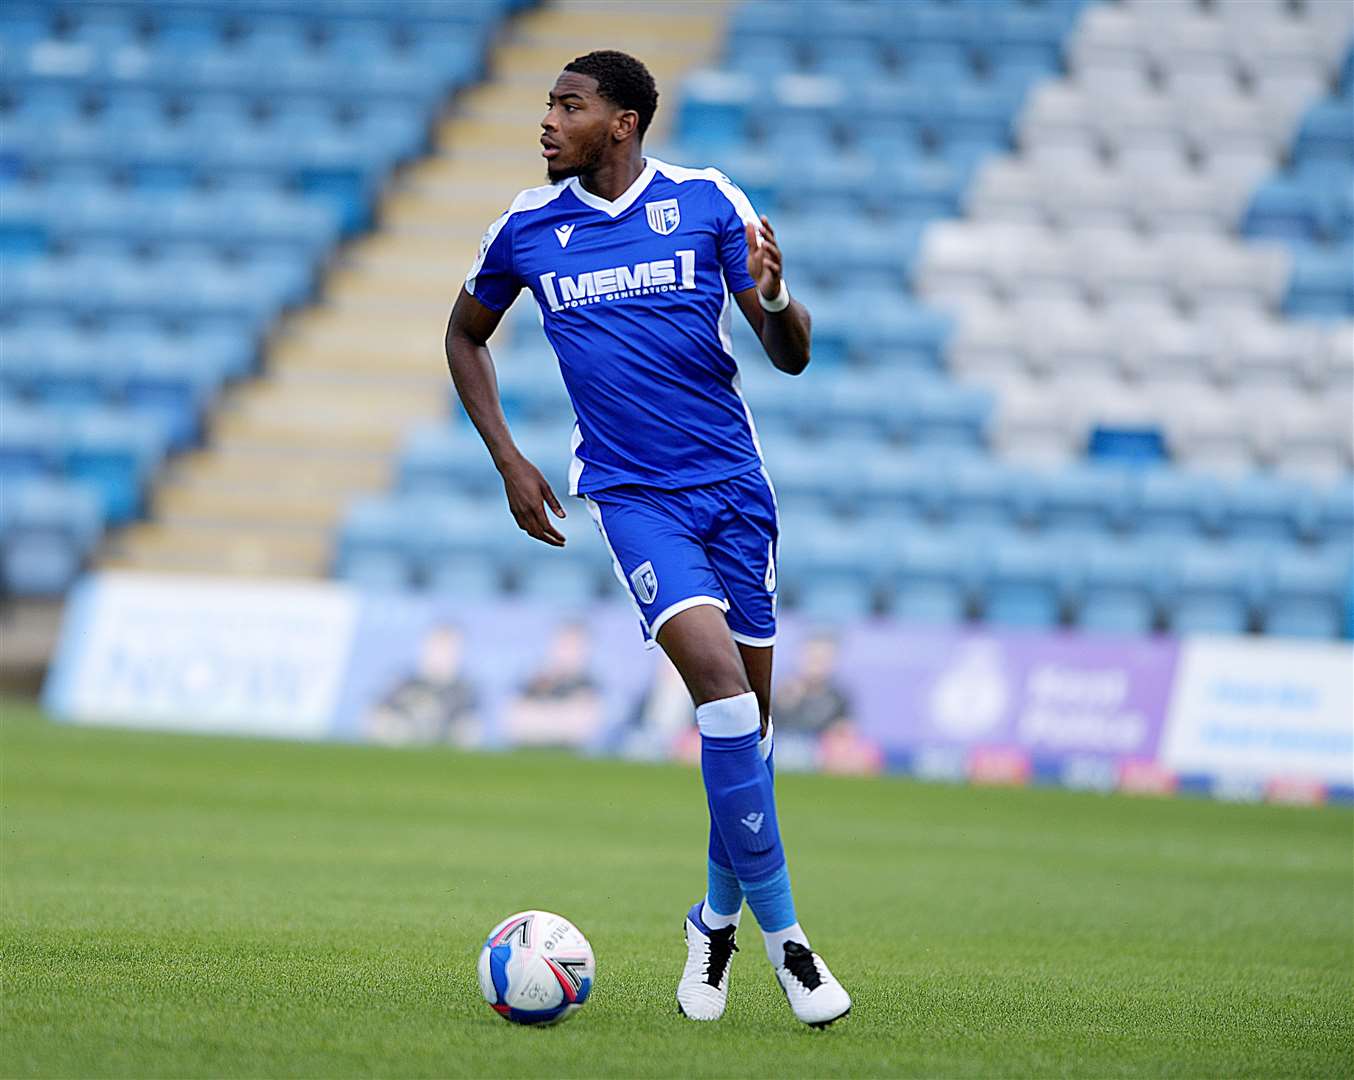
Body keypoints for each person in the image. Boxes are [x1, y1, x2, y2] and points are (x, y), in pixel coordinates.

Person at [444, 50, 850, 1027]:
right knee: (717, 690)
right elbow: (464, 335)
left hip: (734, 493)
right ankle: (789, 945)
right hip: (632, 498)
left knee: (746, 732)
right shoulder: (527, 228)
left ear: (621, 123)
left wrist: (780, 297)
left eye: (568, 106)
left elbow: (788, 356)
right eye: (546, 104)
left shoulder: (707, 204)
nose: (548, 121)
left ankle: (711, 920)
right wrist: (508, 457)